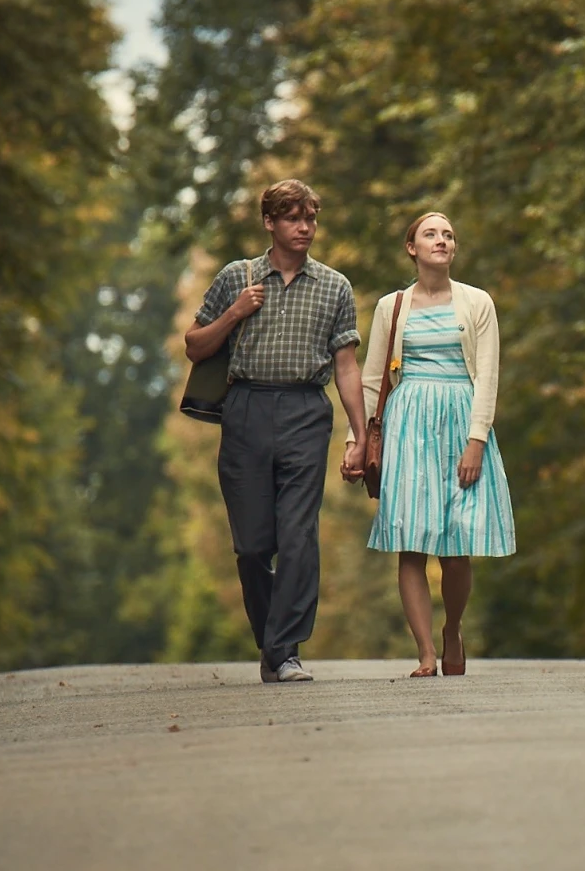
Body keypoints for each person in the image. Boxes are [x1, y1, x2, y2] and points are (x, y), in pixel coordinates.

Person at [186, 180, 367, 683]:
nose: (304, 227)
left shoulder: (335, 286)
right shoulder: (236, 277)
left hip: (306, 412)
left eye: (310, 218)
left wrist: (362, 434)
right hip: (245, 410)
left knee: (298, 532)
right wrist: (235, 312)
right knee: (251, 545)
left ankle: (284, 650)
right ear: (270, 222)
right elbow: (196, 346)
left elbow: (347, 366)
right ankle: (272, 640)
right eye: (292, 218)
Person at [348, 212, 515, 678]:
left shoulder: (478, 302)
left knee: (457, 547)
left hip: (461, 420)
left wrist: (476, 440)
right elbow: (372, 379)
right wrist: (355, 441)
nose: (441, 240)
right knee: (411, 543)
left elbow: (488, 377)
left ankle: (452, 628)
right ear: (411, 248)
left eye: (448, 235)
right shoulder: (392, 306)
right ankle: (425, 653)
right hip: (408, 427)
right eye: (431, 234)